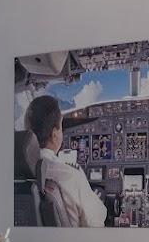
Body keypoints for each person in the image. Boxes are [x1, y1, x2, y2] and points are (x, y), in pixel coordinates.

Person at [24, 95, 108, 227]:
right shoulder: (70, 175)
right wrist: (93, 200)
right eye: (61, 127)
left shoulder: (18, 171)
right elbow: (95, 222)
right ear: (54, 134)